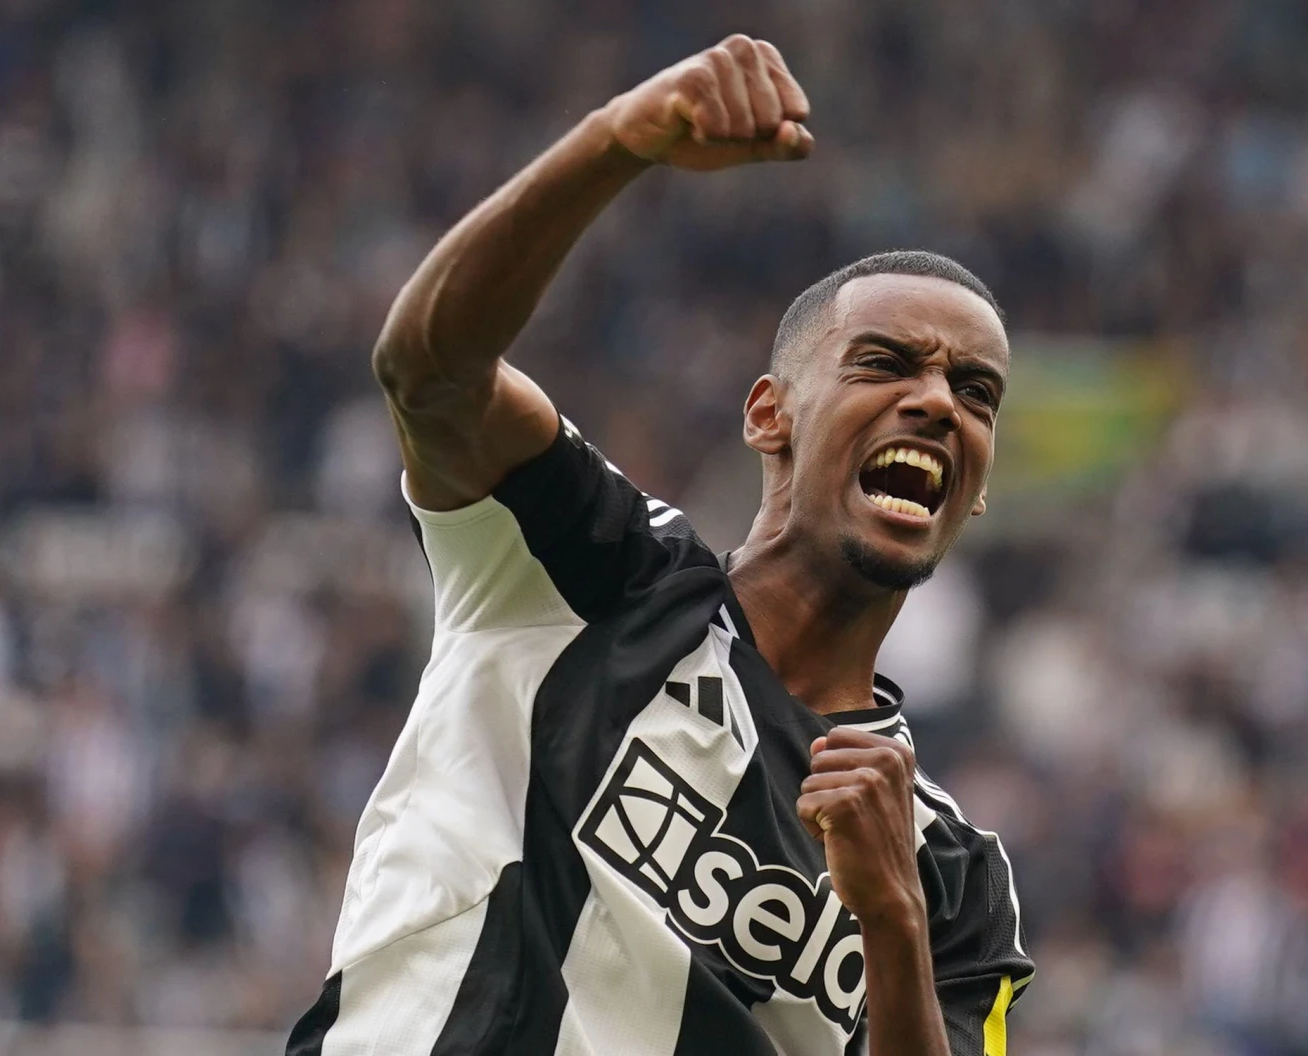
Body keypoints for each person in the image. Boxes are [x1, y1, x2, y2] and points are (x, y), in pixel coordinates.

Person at [287, 34, 1032, 1056]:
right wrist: (613, 143)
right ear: (769, 415)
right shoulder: (600, 571)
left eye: (974, 392)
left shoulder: (947, 869)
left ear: (977, 491)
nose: (937, 402)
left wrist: (894, 928)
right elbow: (431, 371)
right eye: (884, 363)